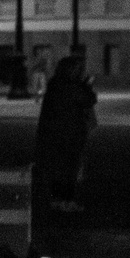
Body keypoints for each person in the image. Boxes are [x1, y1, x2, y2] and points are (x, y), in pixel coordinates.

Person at [34, 55, 97, 212]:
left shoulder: (55, 84)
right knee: (70, 168)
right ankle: (66, 200)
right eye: (78, 69)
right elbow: (88, 99)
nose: (81, 72)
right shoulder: (71, 86)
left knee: (58, 167)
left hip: (54, 132)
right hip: (70, 132)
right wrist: (87, 85)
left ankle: (57, 199)